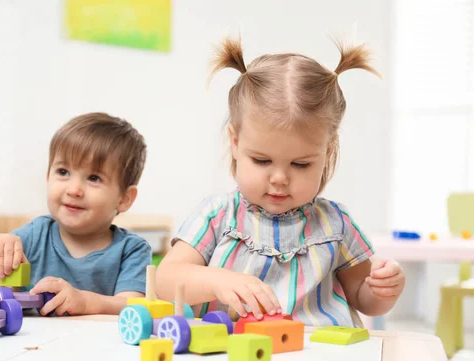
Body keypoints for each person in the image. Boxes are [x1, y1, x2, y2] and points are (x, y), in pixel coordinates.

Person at [155, 38, 405, 327]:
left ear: (328, 153)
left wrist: (382, 290)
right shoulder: (218, 215)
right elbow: (166, 279)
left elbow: (364, 300)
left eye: (300, 164)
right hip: (232, 360)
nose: (279, 179)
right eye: (262, 161)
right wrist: (217, 280)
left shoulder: (336, 225)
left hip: (319, 360)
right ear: (235, 143)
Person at [0, 112, 151, 316]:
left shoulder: (132, 250)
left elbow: (133, 307)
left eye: (94, 178)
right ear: (48, 177)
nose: (74, 189)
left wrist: (85, 302)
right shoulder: (33, 235)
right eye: (63, 172)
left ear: (124, 198)